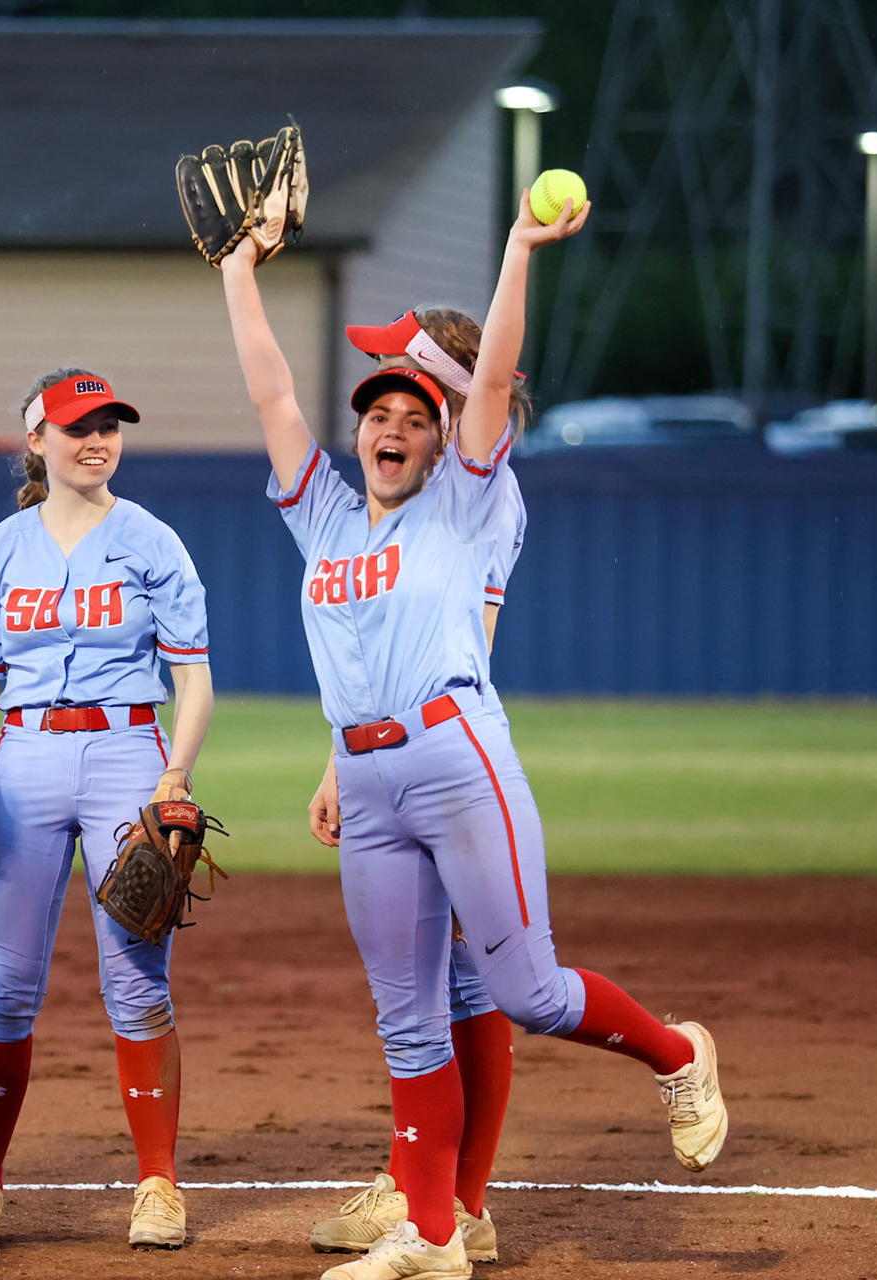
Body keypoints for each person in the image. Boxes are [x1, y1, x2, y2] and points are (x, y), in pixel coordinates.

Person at [218, 191, 727, 1280]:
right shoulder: (325, 512)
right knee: (408, 1023)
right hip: (367, 779)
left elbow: (491, 376)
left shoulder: (463, 500)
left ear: (443, 432)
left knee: (530, 992)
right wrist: (237, 272)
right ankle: (435, 1234)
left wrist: (516, 248)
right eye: (374, 416)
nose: (387, 429)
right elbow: (269, 390)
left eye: (411, 416)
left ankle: (678, 1051)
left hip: (456, 757)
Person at [0, 368, 214, 1250]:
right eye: (76, 427)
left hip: (126, 752)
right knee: (5, 988)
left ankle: (159, 1187)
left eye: (108, 426)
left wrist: (174, 773)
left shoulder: (152, 541)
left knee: (136, 981)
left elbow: (193, 677)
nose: (96, 440)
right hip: (20, 762)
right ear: (37, 441)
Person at [306, 327, 529, 1267]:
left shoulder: (477, 489)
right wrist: (339, 757)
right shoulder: (403, 490)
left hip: (451, 748)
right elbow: (366, 638)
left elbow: (457, 638)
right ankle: (427, 1189)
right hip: (391, 752)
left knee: (473, 978)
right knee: (429, 988)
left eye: (415, 367)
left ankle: (454, 1201)